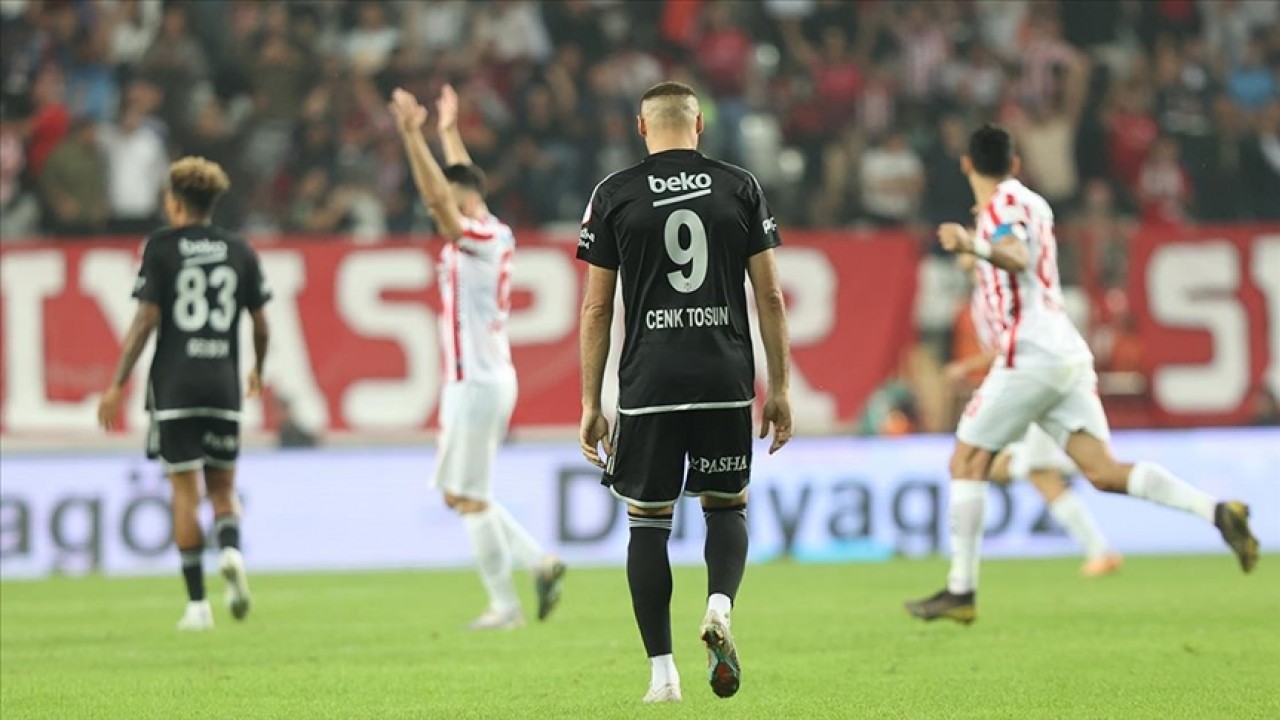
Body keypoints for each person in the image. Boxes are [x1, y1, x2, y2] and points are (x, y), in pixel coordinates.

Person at [905, 125, 1258, 625]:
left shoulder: (1001, 207)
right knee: (1103, 472)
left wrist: (974, 245)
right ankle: (1217, 511)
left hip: (1030, 352)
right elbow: (1012, 262)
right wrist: (975, 248)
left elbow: (1014, 256)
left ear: (966, 164)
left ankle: (961, 590)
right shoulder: (1031, 205)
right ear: (1016, 163)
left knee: (966, 461)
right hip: (1064, 349)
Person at [577, 81, 792, 703]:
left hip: (651, 381)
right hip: (724, 376)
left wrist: (591, 403)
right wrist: (779, 388)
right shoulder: (739, 186)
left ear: (641, 128)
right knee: (726, 506)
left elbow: (597, 309)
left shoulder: (614, 193)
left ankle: (663, 676)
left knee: (647, 523)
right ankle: (719, 606)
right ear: (699, 127)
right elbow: (770, 295)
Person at [387, 84, 566, 631]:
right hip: (476, 380)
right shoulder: (496, 229)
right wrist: (446, 133)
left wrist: (412, 137)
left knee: (470, 498)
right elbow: (461, 184)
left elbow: (442, 200)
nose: (435, 205)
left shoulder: (477, 238)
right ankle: (537, 561)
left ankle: (506, 606)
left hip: (477, 381)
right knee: (458, 494)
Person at [97, 157, 270, 631]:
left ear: (174, 202)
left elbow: (145, 320)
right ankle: (231, 550)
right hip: (222, 385)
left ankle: (198, 606)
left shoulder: (161, 247)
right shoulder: (239, 250)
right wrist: (258, 368)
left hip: (175, 386)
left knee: (183, 491)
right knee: (223, 489)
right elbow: (261, 323)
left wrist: (117, 383)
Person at [946, 253, 1122, 577]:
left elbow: (1014, 345)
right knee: (1005, 469)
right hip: (1025, 386)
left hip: (1035, 386)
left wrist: (966, 366)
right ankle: (1098, 546)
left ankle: (1099, 550)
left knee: (1036, 474)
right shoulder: (983, 293)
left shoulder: (1003, 289)